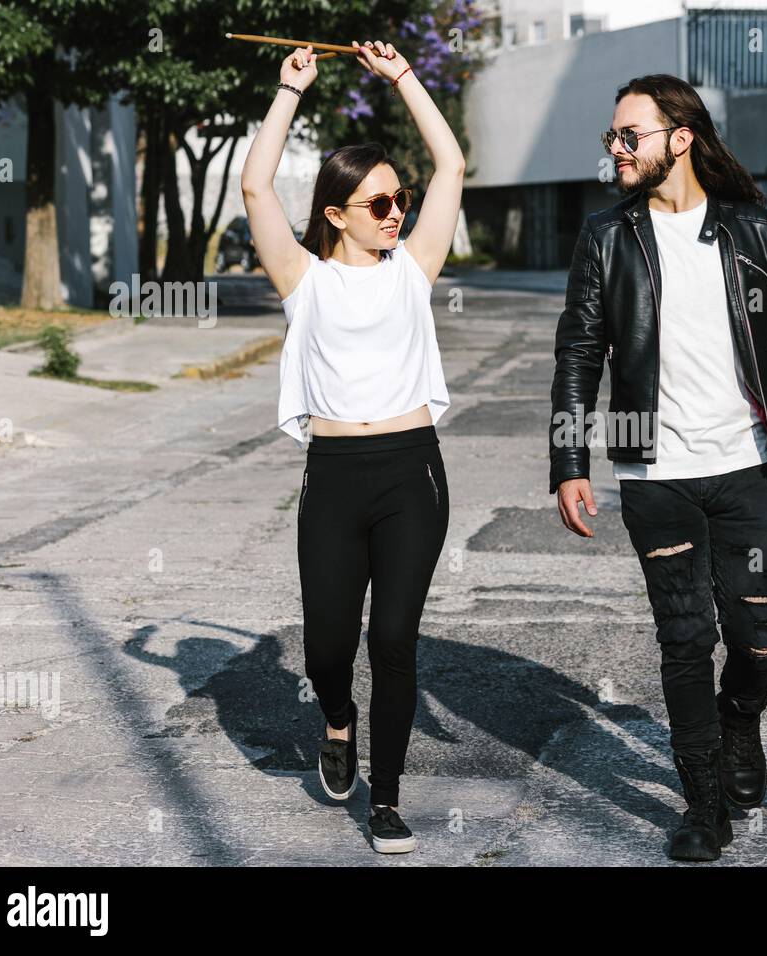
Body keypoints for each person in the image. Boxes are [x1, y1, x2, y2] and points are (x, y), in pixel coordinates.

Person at [549, 74, 767, 862]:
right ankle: (704, 807)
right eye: (612, 136)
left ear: (679, 139)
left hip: (745, 466)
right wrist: (568, 460)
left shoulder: (752, 231)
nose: (616, 148)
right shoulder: (607, 238)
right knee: (684, 640)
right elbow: (579, 354)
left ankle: (740, 718)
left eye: (629, 135)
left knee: (757, 637)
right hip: (654, 474)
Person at [241, 38, 464, 854]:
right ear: (336, 214)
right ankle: (338, 717)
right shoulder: (305, 280)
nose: (396, 212)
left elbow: (452, 166)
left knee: (394, 640)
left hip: (412, 472)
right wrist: (287, 91)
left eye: (397, 199)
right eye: (377, 204)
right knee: (329, 648)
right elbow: (256, 185)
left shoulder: (414, 268)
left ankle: (388, 800)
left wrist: (402, 77)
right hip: (333, 475)